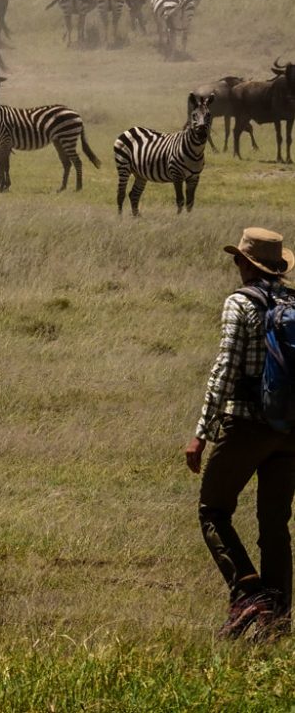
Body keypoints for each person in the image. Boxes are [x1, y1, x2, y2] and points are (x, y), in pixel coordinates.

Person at [185, 227, 295, 639]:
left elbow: (225, 369)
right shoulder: (293, 302)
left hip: (245, 424)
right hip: (288, 428)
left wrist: (202, 432)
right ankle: (279, 619)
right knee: (274, 523)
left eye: (238, 259)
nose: (235, 264)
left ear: (247, 264)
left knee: (212, 510)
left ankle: (247, 592)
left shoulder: (240, 303)